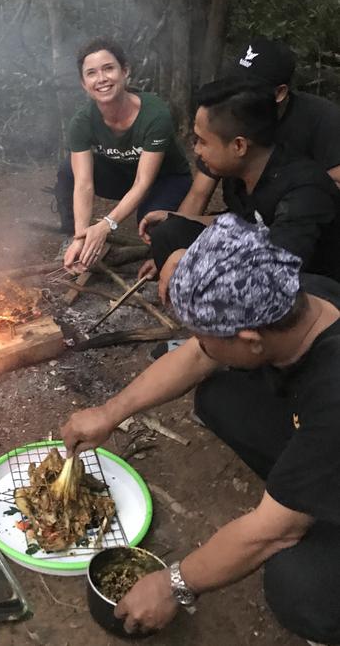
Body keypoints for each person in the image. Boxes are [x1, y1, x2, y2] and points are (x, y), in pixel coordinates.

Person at [63, 214, 340, 644]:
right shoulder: (299, 296)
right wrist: (109, 413)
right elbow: (197, 358)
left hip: (329, 430)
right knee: (220, 398)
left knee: (297, 584)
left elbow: (274, 532)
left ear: (250, 340)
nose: (198, 344)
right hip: (323, 431)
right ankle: (308, 487)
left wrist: (174, 583)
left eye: (205, 335)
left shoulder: (334, 396)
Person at [142, 76, 340, 302]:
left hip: (312, 292)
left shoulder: (304, 191)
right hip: (259, 255)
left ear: (239, 145)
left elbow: (277, 269)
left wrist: (199, 261)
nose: (196, 150)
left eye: (202, 141)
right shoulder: (242, 174)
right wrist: (175, 217)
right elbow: (243, 222)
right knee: (171, 232)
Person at [56, 37, 192, 271]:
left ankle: (176, 251)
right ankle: (72, 241)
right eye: (91, 73)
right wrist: (81, 236)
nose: (101, 79)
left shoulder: (155, 114)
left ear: (125, 71)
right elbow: (84, 183)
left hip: (163, 178)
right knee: (69, 169)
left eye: (108, 68)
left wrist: (106, 224)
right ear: (83, 83)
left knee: (153, 228)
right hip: (121, 175)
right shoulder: (82, 122)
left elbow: (143, 182)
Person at [177, 36, 340, 218]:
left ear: (280, 93)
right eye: (234, 83)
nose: (237, 94)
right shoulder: (229, 115)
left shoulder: (323, 119)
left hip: (296, 224)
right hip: (238, 219)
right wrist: (179, 225)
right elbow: (199, 193)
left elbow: (333, 186)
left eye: (247, 89)